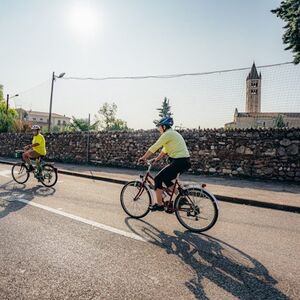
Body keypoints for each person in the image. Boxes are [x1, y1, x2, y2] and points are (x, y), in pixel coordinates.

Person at [139, 117, 191, 211]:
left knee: (158, 179)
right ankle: (181, 198)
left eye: (159, 127)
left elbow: (155, 146)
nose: (159, 129)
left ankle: (159, 205)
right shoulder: (172, 134)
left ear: (164, 126)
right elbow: (165, 150)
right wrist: (156, 159)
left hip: (179, 161)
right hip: (184, 162)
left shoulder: (168, 134)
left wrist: (144, 157)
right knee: (167, 180)